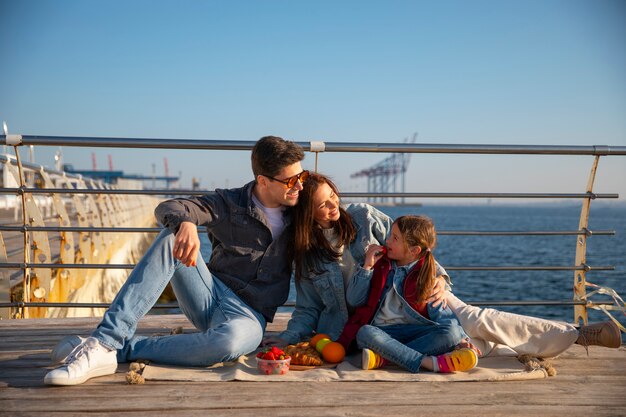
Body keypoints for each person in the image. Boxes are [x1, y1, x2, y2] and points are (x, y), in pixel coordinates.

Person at [264, 172, 621, 359]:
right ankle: (553, 337)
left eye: (334, 197)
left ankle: (577, 334)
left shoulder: (363, 217)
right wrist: (289, 338)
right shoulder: (307, 253)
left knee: (479, 320)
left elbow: (414, 245)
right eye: (324, 205)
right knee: (477, 340)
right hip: (375, 320)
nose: (334, 207)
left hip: (417, 294)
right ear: (307, 214)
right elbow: (308, 309)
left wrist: (439, 280)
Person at [44, 136, 307, 385]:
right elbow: (170, 207)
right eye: (291, 180)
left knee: (229, 343)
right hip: (210, 295)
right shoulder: (230, 202)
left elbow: (334, 211)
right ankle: (106, 339)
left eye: (302, 176)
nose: (299, 185)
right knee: (171, 238)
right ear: (263, 181)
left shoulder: (301, 212)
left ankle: (117, 349)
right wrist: (186, 224)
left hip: (250, 317)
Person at [350, 215, 479, 373]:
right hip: (383, 333)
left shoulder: (425, 276)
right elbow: (354, 300)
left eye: (395, 238)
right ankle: (428, 363)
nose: (388, 241)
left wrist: (462, 339)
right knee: (365, 332)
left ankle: (384, 358)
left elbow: (442, 314)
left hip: (416, 333)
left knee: (451, 333)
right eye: (390, 235)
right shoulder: (378, 264)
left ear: (414, 250)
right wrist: (366, 267)